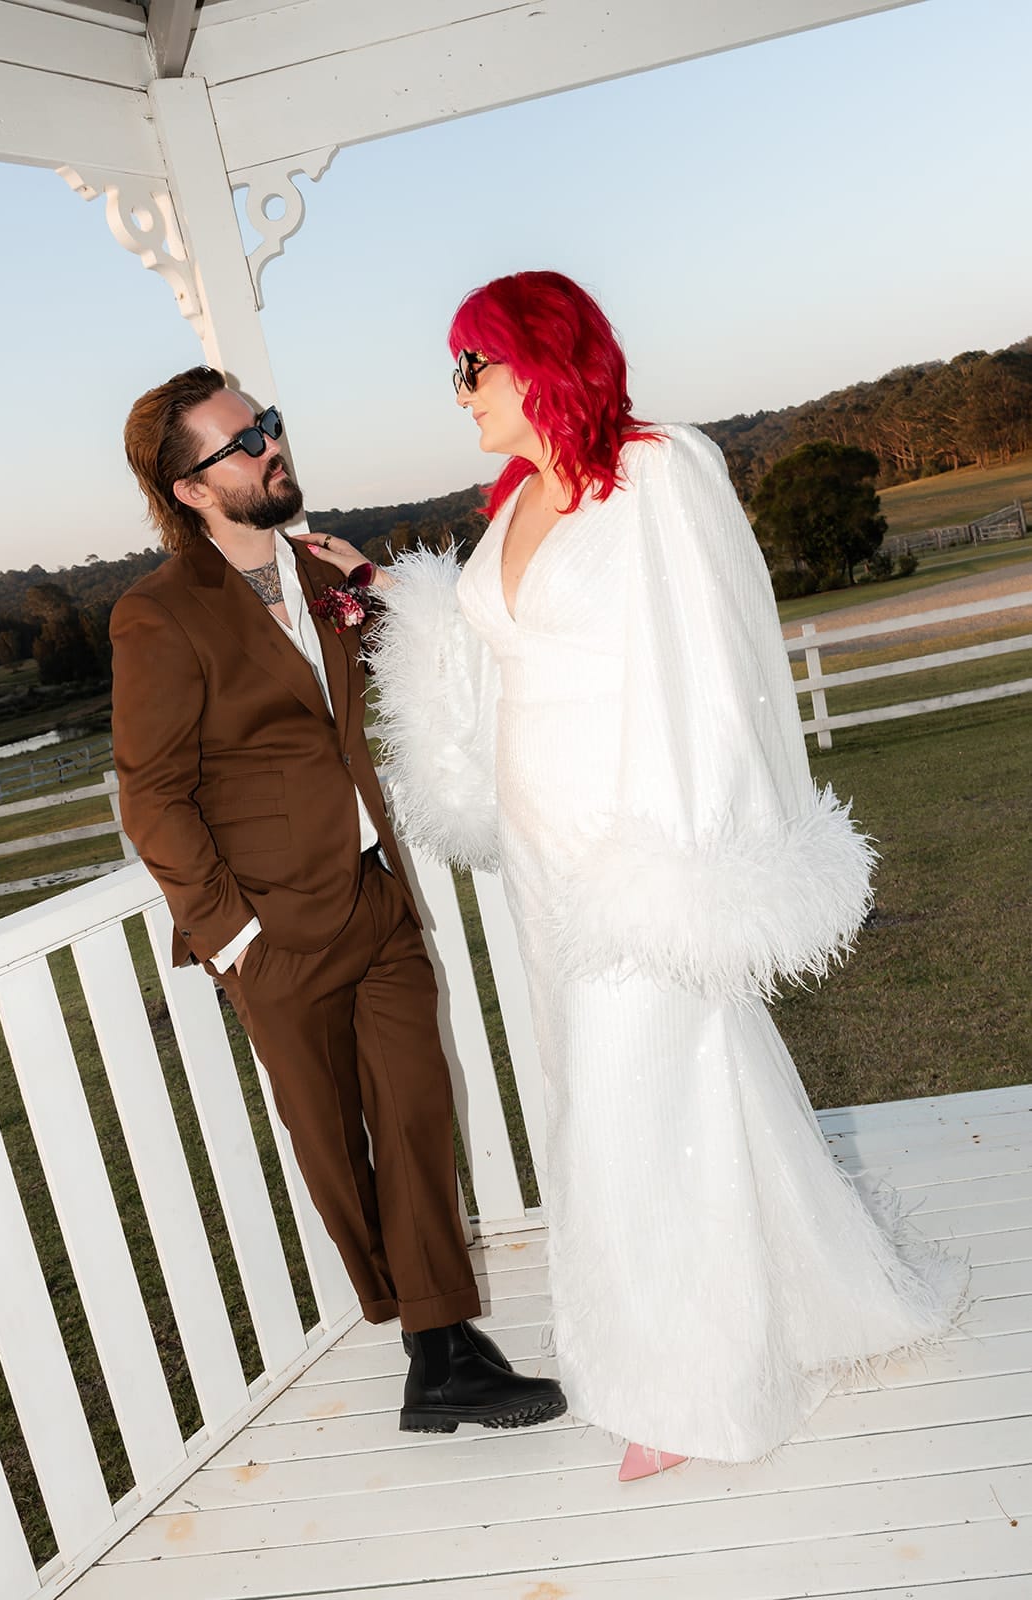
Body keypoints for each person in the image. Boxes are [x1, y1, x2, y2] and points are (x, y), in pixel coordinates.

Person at [315, 272, 965, 1478]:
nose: (458, 392)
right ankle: (791, 1305)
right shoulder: (516, 501)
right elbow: (492, 647)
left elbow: (713, 661)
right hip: (543, 860)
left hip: (639, 849)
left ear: (536, 356)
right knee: (613, 1086)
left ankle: (687, 1384)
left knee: (641, 1094)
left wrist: (684, 847)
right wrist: (381, 591)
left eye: (470, 366)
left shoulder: (655, 470)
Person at [111, 366, 566, 1436]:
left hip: (375, 898)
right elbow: (153, 796)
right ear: (190, 489)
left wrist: (376, 581)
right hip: (273, 932)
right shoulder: (158, 614)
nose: (270, 446)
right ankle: (427, 1339)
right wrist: (237, 941)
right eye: (241, 443)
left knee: (415, 1114)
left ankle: (441, 1351)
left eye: (266, 425)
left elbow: (438, 655)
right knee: (336, 1146)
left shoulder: (323, 571)